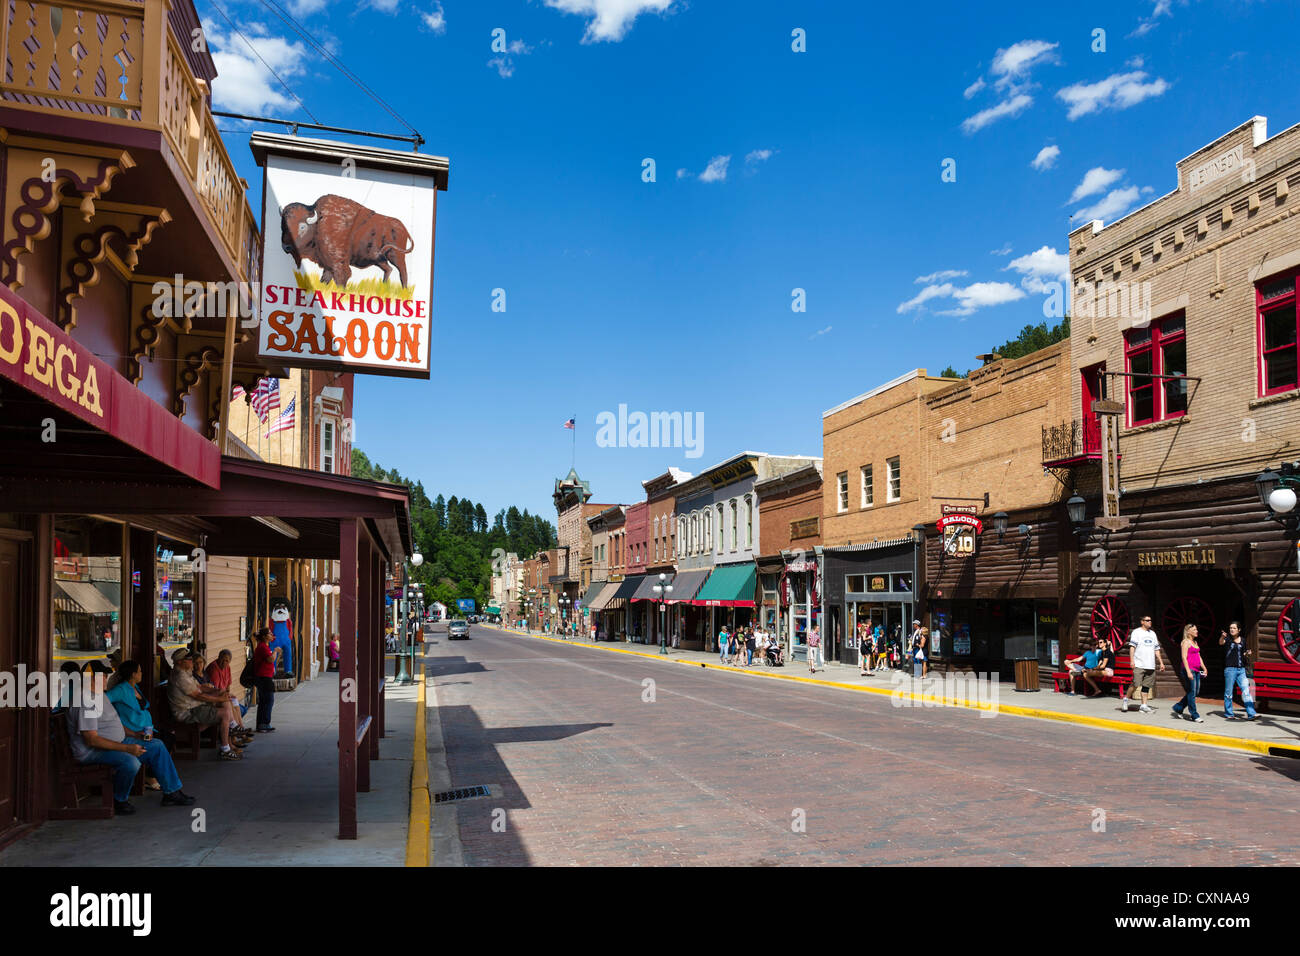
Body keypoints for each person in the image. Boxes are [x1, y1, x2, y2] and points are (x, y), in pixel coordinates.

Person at [70, 660, 195, 814]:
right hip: (93, 752)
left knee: (156, 745)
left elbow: (113, 724)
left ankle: (172, 793)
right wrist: (127, 748)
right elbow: (91, 739)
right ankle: (119, 800)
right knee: (131, 762)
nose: (106, 679)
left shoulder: (99, 696)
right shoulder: (85, 701)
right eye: (103, 676)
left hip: (116, 742)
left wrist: (135, 735)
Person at [167, 651, 245, 758]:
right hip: (188, 712)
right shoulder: (180, 676)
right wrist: (218, 698)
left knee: (224, 697)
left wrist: (218, 691)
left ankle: (232, 727)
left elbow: (200, 687)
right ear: (180, 662)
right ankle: (225, 748)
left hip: (195, 707)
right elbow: (197, 696)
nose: (192, 662)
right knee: (225, 713)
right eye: (189, 660)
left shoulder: (185, 672)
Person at [105, 659, 162, 791]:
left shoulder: (135, 688)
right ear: (133, 674)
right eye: (140, 671)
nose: (142, 673)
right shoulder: (121, 689)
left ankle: (150, 774)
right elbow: (105, 699)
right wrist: (114, 716)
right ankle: (148, 776)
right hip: (133, 730)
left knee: (167, 738)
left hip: (146, 728)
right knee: (159, 744)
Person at [1121, 614, 1166, 714]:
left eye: (1150, 620)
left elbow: (1157, 649)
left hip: (1150, 664)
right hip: (1139, 664)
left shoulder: (1153, 634)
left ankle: (1144, 705)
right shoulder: (1137, 632)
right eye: (1147, 620)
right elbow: (1132, 647)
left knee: (1146, 686)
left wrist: (1161, 662)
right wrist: (1132, 660)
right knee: (1136, 683)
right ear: (1142, 622)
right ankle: (1126, 699)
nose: (1150, 621)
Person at [1219, 621, 1257, 720]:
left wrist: (1248, 653)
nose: (1232, 629)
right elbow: (1220, 642)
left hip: (1241, 670)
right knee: (1229, 692)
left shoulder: (1243, 640)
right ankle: (1229, 713)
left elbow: (1244, 653)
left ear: (1239, 630)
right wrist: (1223, 637)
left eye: (1234, 628)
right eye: (1230, 628)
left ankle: (1251, 713)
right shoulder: (1227, 639)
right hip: (1230, 669)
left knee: (1246, 691)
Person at [1170, 623, 1207, 723]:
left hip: (1196, 669)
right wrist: (1188, 672)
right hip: (1188, 670)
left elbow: (1199, 656)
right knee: (1192, 692)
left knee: (1195, 692)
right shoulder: (1185, 642)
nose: (1197, 631)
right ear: (1188, 631)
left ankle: (1178, 707)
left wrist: (1204, 668)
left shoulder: (1195, 642)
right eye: (1194, 630)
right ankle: (1194, 715)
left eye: (1196, 629)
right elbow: (1184, 657)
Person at [205, 650, 251, 723]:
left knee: (243, 709)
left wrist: (228, 694)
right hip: (216, 698)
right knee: (236, 709)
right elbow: (216, 691)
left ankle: (239, 726)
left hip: (224, 696)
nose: (224, 662)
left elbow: (228, 686)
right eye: (222, 660)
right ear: (218, 658)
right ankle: (237, 727)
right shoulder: (214, 669)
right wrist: (227, 695)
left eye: (226, 661)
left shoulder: (227, 667)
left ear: (230, 661)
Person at [253, 627, 278, 733]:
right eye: (269, 633)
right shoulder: (263, 647)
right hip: (263, 677)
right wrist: (276, 651)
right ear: (264, 636)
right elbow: (271, 659)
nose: (272, 634)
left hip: (266, 676)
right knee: (268, 700)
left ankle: (263, 723)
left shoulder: (265, 646)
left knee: (265, 700)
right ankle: (264, 724)